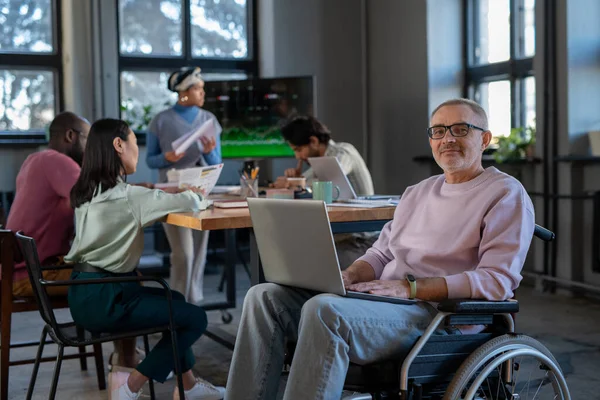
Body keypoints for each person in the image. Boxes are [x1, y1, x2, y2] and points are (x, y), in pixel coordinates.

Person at [224, 98, 536, 400]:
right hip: (385, 303)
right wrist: (349, 275)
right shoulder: (418, 192)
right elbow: (382, 253)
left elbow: (497, 281)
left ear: (485, 139)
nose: (447, 139)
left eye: (460, 129)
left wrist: (410, 288)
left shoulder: (505, 194)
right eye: (438, 131)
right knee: (264, 297)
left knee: (324, 311)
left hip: (438, 317)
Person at [65, 118, 225, 400]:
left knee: (174, 300)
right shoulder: (129, 197)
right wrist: (196, 193)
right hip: (110, 298)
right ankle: (130, 385)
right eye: (133, 142)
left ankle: (187, 386)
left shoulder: (87, 192)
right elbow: (190, 202)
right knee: (195, 318)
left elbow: (137, 201)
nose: (137, 150)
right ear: (118, 145)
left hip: (83, 293)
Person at [4, 112, 145, 371]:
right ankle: (126, 362)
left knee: (113, 272)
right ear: (71, 136)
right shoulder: (57, 161)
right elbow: (104, 198)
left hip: (21, 272)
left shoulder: (34, 160)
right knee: (126, 277)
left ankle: (123, 356)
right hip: (35, 275)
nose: (92, 148)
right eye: (89, 139)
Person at [146, 66, 222, 305]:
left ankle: (193, 303)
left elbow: (216, 161)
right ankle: (176, 304)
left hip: (201, 190)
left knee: (199, 254)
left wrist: (209, 153)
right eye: (198, 89)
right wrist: (166, 158)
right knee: (184, 254)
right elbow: (150, 159)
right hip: (172, 192)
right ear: (184, 91)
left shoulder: (209, 119)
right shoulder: (160, 121)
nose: (203, 94)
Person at [277, 115, 376, 269]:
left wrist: (297, 182)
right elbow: (304, 183)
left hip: (358, 240)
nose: (297, 156)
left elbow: (332, 176)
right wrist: (297, 180)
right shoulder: (320, 162)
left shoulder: (343, 151)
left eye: (299, 149)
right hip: (338, 236)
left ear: (314, 142)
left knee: (301, 260)